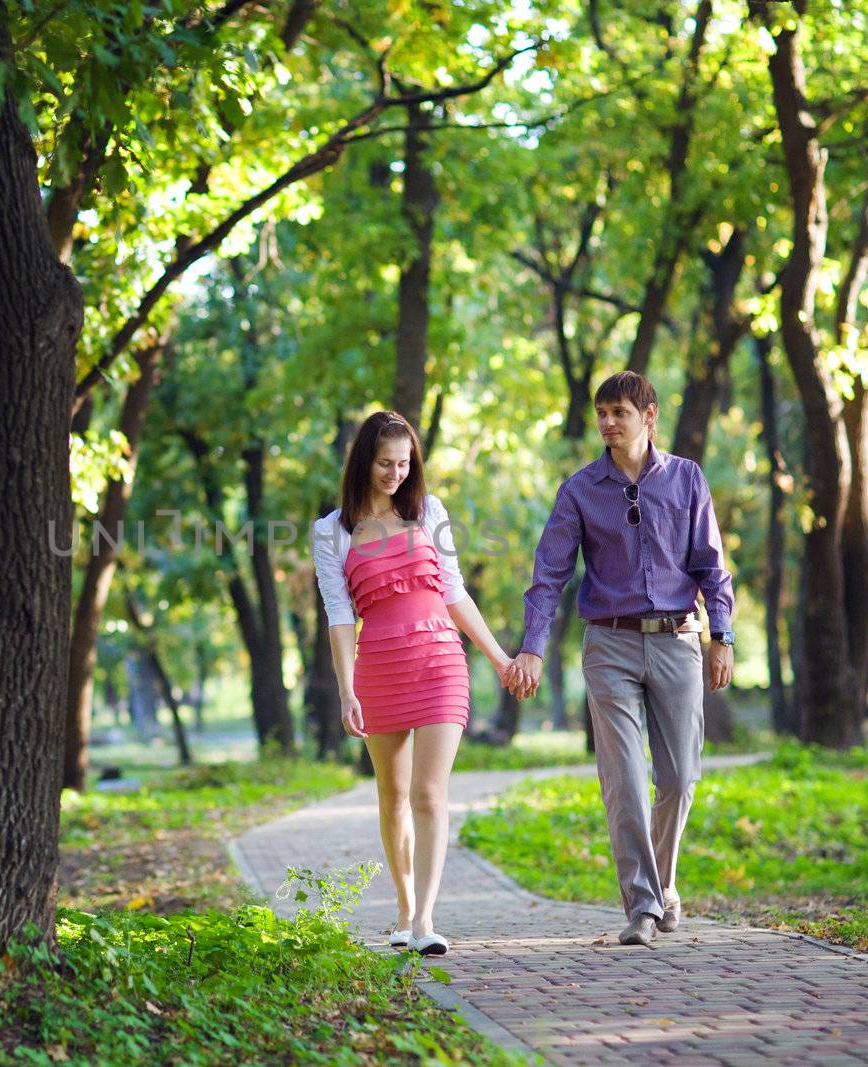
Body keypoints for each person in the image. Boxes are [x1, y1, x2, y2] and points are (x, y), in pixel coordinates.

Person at [507, 371, 734, 947]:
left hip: (678, 640)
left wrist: (721, 635)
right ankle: (643, 905)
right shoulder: (580, 490)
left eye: (620, 412)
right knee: (626, 780)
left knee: (680, 779)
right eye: (602, 412)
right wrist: (532, 647)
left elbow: (710, 563)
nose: (608, 422)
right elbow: (549, 576)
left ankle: (663, 885)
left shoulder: (685, 478)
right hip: (609, 645)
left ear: (648, 415)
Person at [311, 411, 516, 956]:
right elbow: (338, 615)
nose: (396, 474)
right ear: (363, 463)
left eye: (404, 463)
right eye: (385, 464)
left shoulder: (430, 514)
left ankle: (425, 919)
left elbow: (455, 594)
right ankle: (403, 906)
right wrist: (346, 689)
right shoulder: (331, 532)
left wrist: (497, 657)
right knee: (393, 795)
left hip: (440, 662)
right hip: (378, 666)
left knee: (429, 793)